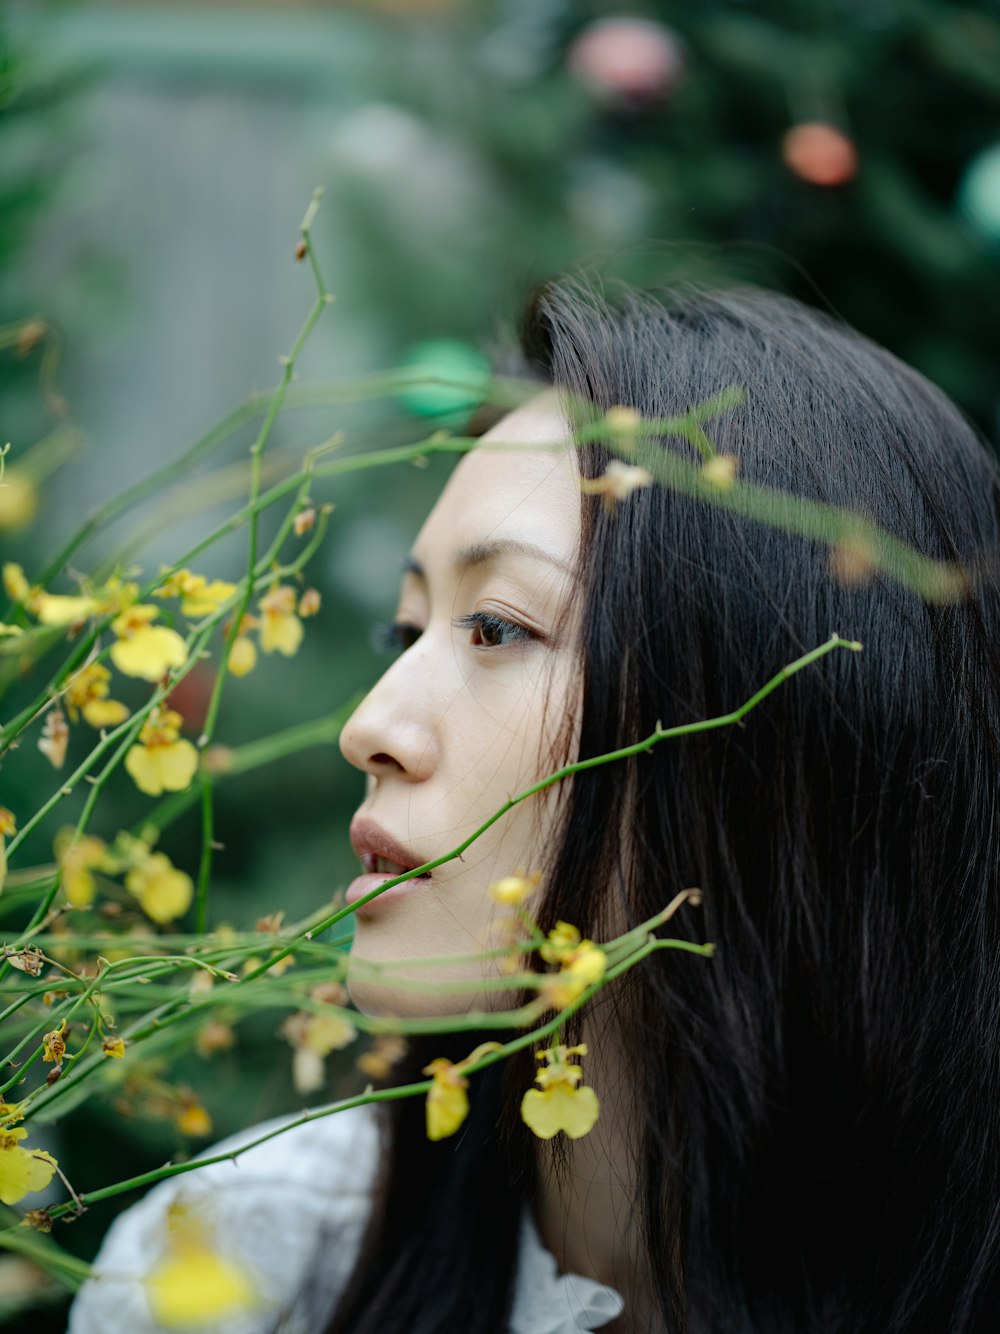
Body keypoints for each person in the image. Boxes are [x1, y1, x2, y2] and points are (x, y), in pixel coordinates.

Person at [68, 280, 1000, 1334]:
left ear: (769, 731)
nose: (370, 724)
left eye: (499, 626)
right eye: (405, 629)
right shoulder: (242, 1267)